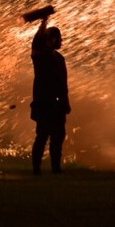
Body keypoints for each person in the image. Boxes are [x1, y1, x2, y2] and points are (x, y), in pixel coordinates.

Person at [30, 15, 70, 174]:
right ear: (52, 39)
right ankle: (36, 169)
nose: (61, 41)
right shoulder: (40, 56)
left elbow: (63, 85)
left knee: (58, 137)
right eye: (59, 38)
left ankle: (55, 168)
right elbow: (37, 40)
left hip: (57, 104)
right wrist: (43, 22)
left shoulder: (60, 59)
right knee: (42, 136)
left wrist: (66, 102)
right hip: (43, 103)